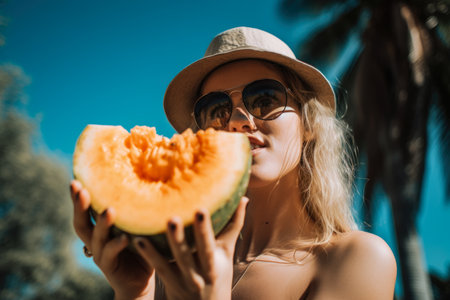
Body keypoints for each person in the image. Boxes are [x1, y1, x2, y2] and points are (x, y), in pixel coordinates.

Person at [70, 26, 397, 300]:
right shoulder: (167, 270)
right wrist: (135, 294)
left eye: (265, 99)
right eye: (216, 109)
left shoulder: (359, 258)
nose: (238, 120)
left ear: (308, 123)